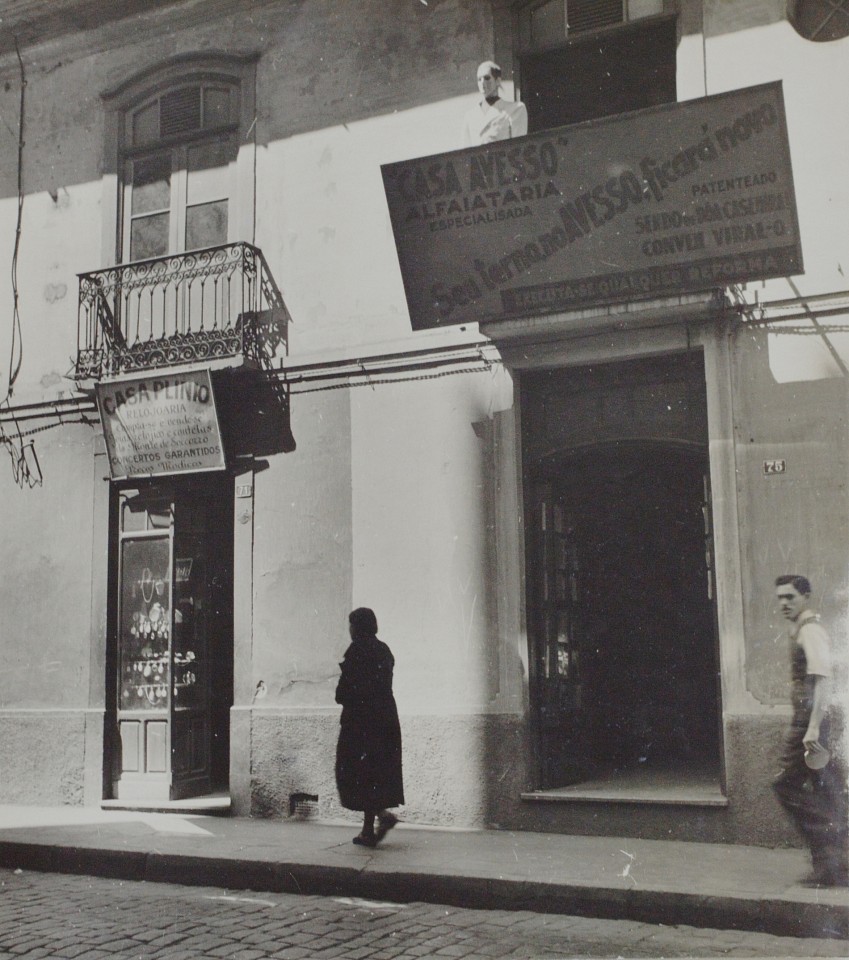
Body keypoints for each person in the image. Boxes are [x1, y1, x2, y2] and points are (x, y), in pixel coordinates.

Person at [772, 575, 848, 886]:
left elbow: (823, 680)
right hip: (811, 722)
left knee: (785, 785)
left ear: (806, 596)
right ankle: (833, 866)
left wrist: (813, 728)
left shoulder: (811, 631)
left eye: (790, 596)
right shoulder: (802, 630)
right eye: (780, 598)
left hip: (811, 724)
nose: (784, 603)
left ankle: (830, 850)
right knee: (827, 789)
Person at [335, 607, 404, 847]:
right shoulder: (384, 650)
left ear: (358, 627)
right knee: (374, 773)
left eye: (352, 625)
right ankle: (371, 827)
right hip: (384, 719)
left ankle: (379, 819)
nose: (350, 630)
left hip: (360, 722)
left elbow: (343, 692)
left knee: (354, 773)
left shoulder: (356, 651)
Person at [462, 60, 528, 146]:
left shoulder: (515, 109)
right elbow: (465, 151)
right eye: (479, 79)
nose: (482, 83)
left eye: (487, 78)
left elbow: (518, 147)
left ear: (497, 81)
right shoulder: (470, 116)